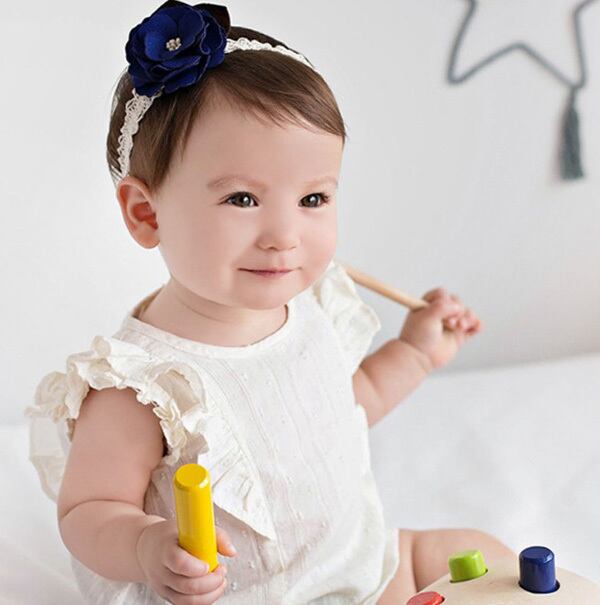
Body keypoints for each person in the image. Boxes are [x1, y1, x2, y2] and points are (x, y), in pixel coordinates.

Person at [24, 2, 515, 603]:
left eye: (313, 199)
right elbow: (88, 509)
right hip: (241, 596)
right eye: (242, 199)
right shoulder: (144, 382)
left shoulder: (310, 306)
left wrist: (416, 352)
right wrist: (148, 545)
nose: (285, 235)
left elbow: (342, 409)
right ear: (147, 213)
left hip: (356, 565)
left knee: (482, 555)